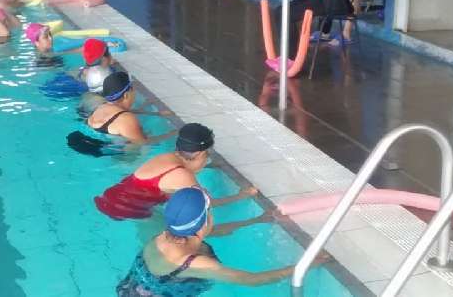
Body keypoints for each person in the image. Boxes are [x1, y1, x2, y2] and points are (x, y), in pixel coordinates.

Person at [116, 188, 330, 296]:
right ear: (203, 222)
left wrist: (256, 220)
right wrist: (305, 265)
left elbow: (215, 232)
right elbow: (252, 280)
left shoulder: (165, 235)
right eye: (209, 211)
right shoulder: (196, 263)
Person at [94, 123, 257, 220]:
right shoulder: (182, 175)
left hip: (113, 196)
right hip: (125, 208)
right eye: (208, 153)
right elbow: (206, 204)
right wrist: (242, 195)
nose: (208, 157)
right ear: (200, 153)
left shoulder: (168, 157)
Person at [82, 71, 176, 145]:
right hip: (113, 155)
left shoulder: (102, 106)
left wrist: (156, 113)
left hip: (90, 141)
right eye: (133, 89)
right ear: (127, 95)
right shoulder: (127, 119)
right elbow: (143, 143)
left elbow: (122, 113)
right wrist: (172, 133)